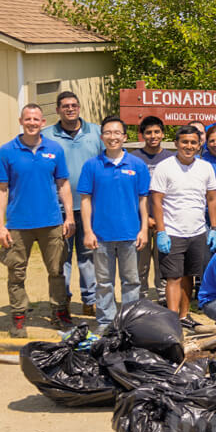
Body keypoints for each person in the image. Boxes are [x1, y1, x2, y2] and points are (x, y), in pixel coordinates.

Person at [0, 104, 76, 336]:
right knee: (16, 272)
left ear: (43, 123)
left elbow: (63, 184)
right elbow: (0, 190)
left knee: (57, 270)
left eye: (36, 119)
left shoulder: (55, 149)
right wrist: (0, 226)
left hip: (51, 222)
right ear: (21, 121)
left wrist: (69, 216)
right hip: (19, 225)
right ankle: (19, 317)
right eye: (28, 119)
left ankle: (59, 312)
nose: (32, 123)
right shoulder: (6, 152)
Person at [78, 116, 150, 333]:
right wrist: (88, 231)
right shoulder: (92, 166)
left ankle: (128, 322)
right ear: (102, 137)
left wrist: (144, 229)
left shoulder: (137, 165)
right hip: (101, 235)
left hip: (130, 234)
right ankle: (106, 322)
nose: (112, 137)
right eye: (108, 133)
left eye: (117, 133)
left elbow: (143, 200)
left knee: (131, 281)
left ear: (124, 137)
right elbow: (85, 200)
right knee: (103, 282)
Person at [150, 126, 216, 329]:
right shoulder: (164, 167)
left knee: (189, 275)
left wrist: (213, 228)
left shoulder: (205, 167)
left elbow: (212, 198)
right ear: (176, 144)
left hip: (197, 231)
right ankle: (172, 321)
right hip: (172, 232)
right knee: (173, 277)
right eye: (184, 142)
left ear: (199, 145)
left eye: (193, 142)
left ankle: (184, 315)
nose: (188, 146)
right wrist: (161, 231)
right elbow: (156, 201)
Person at [41, 90, 102, 316]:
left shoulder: (95, 132)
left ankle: (90, 300)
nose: (70, 109)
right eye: (65, 106)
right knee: (61, 257)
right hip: (57, 207)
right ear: (58, 110)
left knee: (88, 256)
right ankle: (62, 300)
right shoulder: (47, 136)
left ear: (79, 108)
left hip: (89, 206)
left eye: (73, 105)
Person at [129, 116, 174, 300]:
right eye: (148, 132)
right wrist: (144, 217)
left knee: (163, 259)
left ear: (163, 134)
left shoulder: (171, 158)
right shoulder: (133, 158)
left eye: (156, 132)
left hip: (166, 218)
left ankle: (163, 296)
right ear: (142, 135)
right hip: (140, 220)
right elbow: (131, 191)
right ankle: (140, 296)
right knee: (141, 262)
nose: (153, 136)